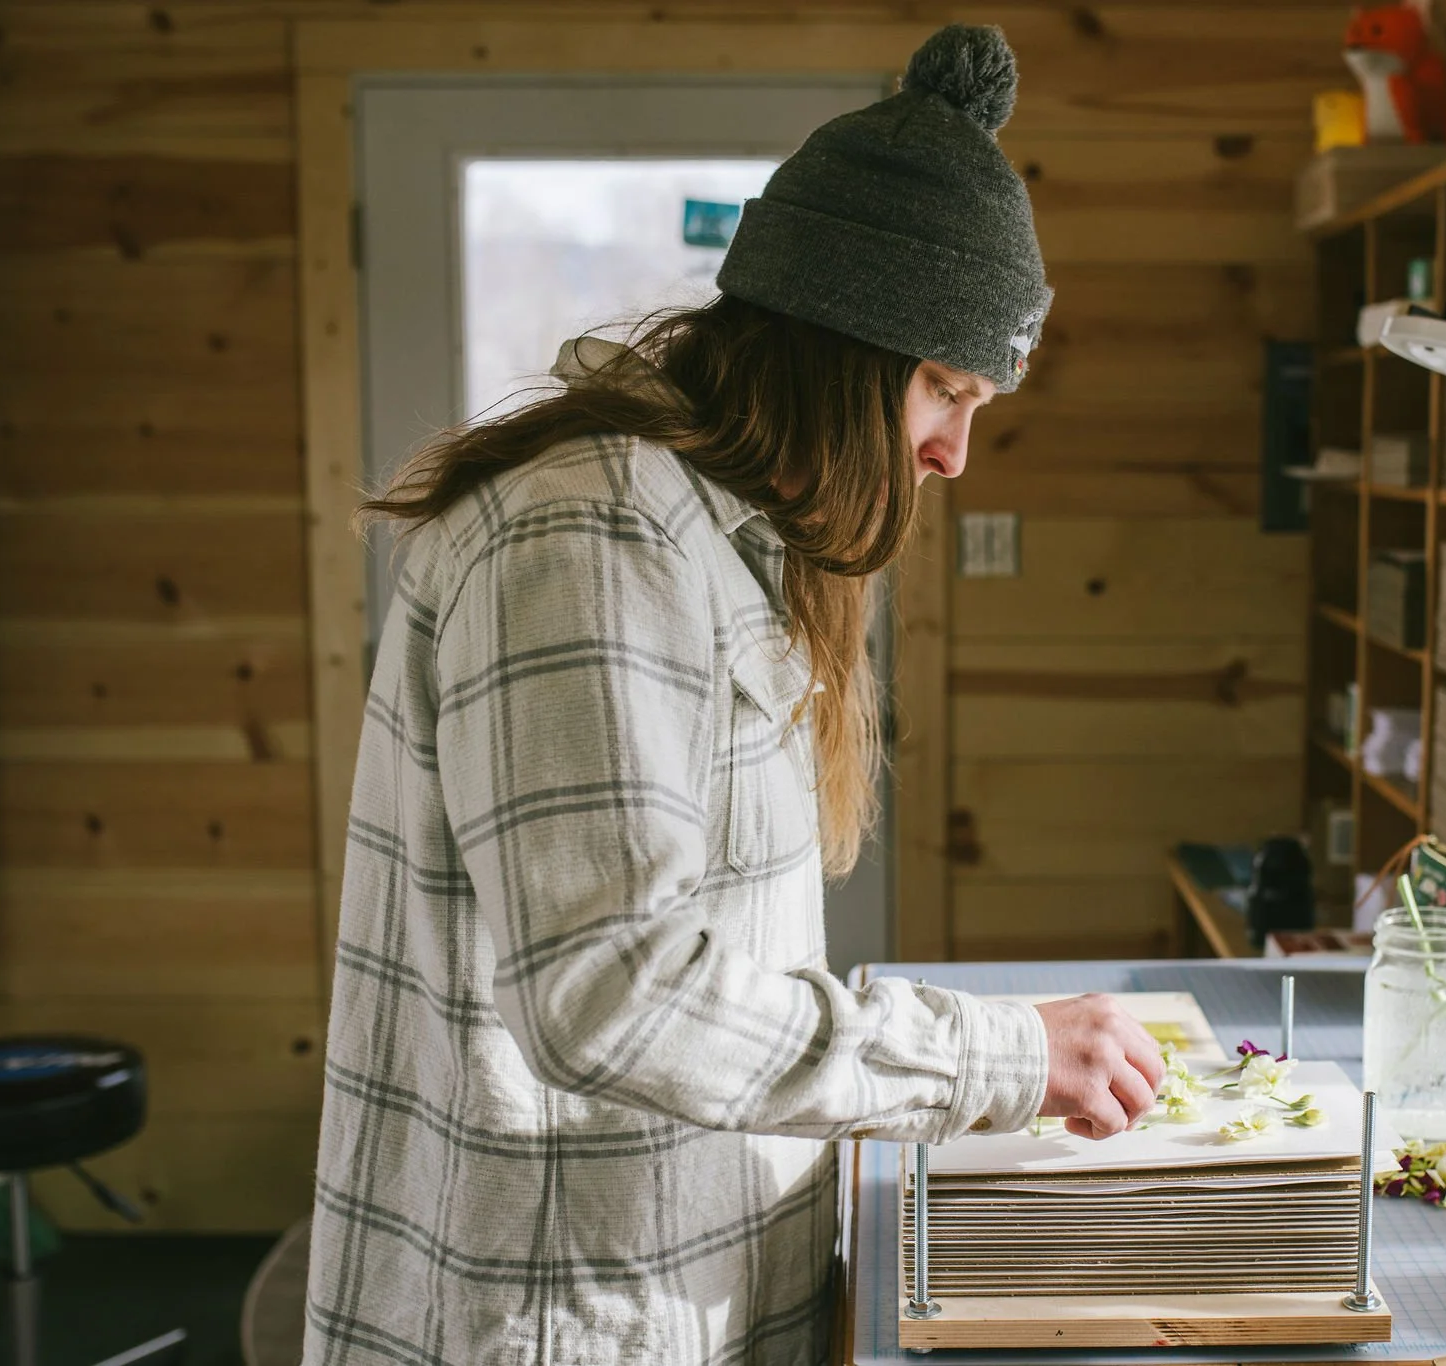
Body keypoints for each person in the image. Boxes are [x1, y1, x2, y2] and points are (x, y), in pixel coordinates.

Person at [302, 23, 1163, 1366]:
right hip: (567, 1315)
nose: (953, 454)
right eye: (945, 388)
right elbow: (613, 991)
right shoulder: (588, 536)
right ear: (839, 344)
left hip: (679, 1283)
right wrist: (996, 1056)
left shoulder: (714, 537)